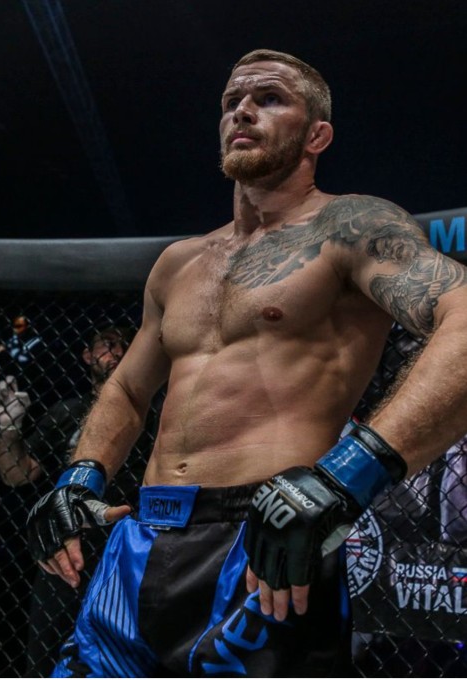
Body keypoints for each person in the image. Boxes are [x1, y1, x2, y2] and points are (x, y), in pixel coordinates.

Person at [26, 49, 467, 677]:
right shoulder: (180, 262)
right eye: (233, 100)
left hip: (266, 539)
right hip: (139, 541)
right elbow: (126, 387)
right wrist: (78, 478)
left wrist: (345, 479)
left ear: (318, 135)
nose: (244, 111)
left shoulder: (352, 227)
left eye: (270, 98)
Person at [0, 327, 135, 676]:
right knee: (49, 654)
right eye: (107, 343)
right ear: (87, 356)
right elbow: (17, 474)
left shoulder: (148, 414)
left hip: (132, 545)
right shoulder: (67, 412)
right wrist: (9, 427)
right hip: (70, 547)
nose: (116, 351)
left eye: (124, 345)